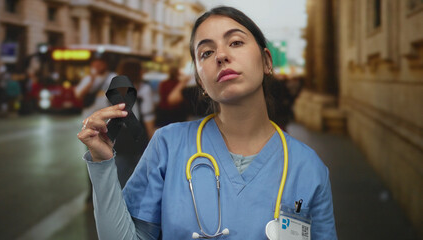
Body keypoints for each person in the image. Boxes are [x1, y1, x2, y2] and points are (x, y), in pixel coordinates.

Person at [77, 6, 337, 239]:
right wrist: (102, 164)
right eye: (206, 52)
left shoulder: (309, 168)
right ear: (201, 81)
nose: (221, 56)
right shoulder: (168, 145)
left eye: (235, 42)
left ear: (267, 61)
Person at [75, 56, 117, 203]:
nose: (97, 66)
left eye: (100, 63)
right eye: (95, 64)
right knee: (92, 158)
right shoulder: (88, 79)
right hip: (89, 126)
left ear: (105, 64)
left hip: (108, 125)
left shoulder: (113, 78)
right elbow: (79, 95)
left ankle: (108, 191)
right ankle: (92, 190)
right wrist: (92, 81)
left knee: (109, 157)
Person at [113, 58, 156, 188]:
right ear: (137, 72)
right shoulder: (144, 90)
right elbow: (148, 119)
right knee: (141, 184)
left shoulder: (115, 90)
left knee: (121, 181)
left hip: (119, 141)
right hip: (139, 140)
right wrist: (154, 145)